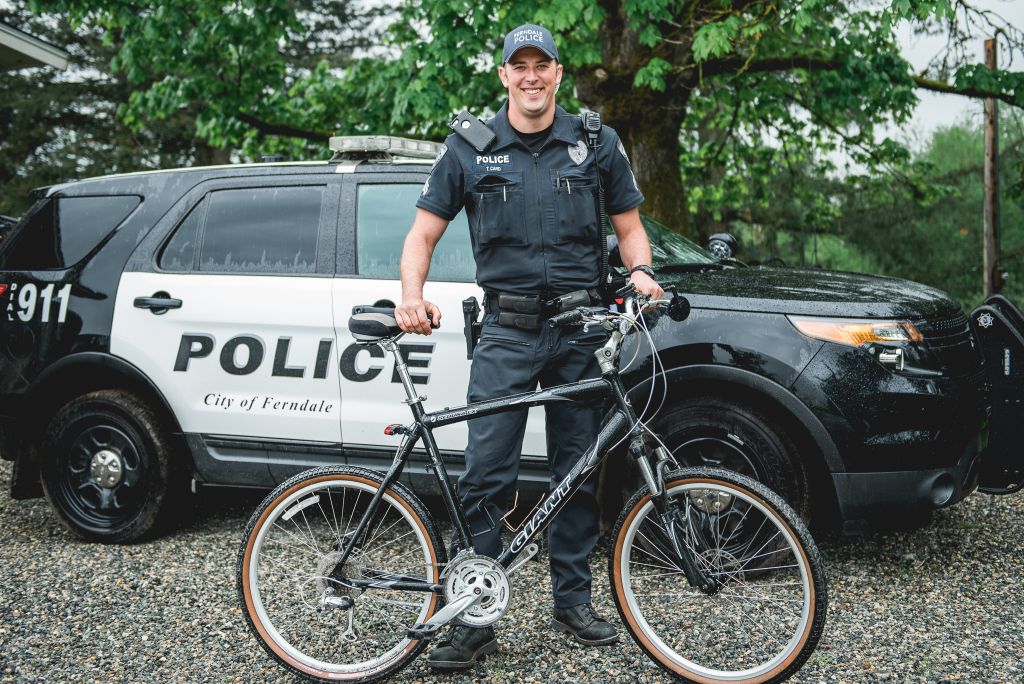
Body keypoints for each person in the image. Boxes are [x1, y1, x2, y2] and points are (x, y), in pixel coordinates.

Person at [395, 22, 663, 672]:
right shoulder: (469, 147)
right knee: (487, 475)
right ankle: (473, 618)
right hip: (507, 333)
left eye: (543, 64)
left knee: (578, 470)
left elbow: (630, 230)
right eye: (521, 65)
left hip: (582, 331)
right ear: (505, 75)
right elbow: (421, 236)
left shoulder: (596, 143)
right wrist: (411, 294)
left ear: (559, 74)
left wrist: (642, 272)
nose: (532, 76)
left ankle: (573, 602)